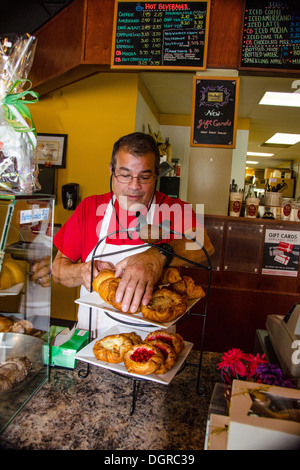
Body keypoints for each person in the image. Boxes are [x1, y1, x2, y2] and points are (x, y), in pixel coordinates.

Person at [52, 132, 214, 336]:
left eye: (144, 177)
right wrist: (82, 271)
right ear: (111, 170)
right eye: (125, 175)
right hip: (90, 342)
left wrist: (158, 255)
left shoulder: (174, 209)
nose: (134, 186)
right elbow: (58, 270)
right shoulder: (90, 208)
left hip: (153, 347)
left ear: (156, 174)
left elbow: (205, 245)